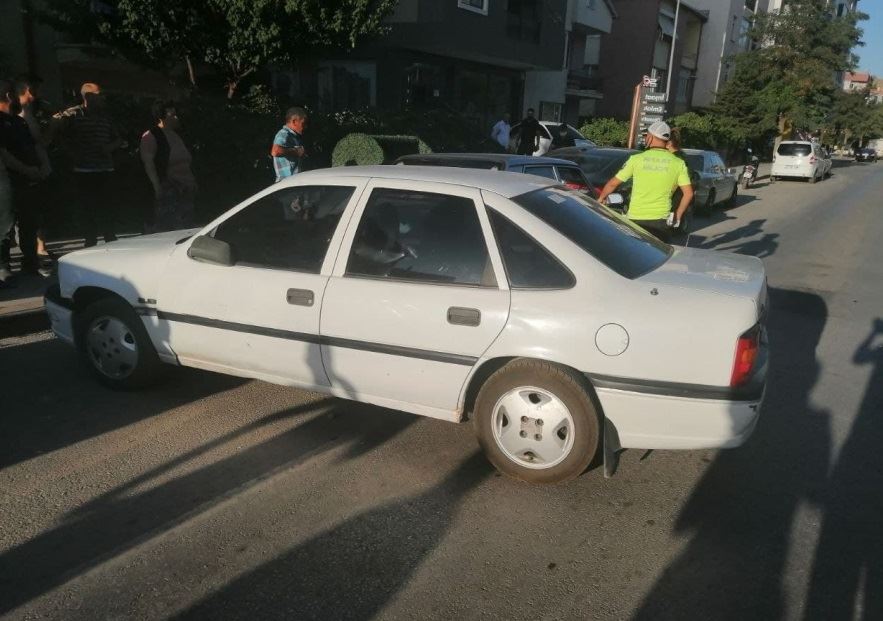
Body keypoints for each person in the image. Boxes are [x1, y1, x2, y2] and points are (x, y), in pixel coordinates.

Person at [49, 82, 123, 247]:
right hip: (84, 169)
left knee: (107, 204)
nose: (103, 98)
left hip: (105, 168)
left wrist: (110, 147)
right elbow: (55, 126)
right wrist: (70, 151)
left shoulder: (105, 116)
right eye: (99, 94)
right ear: (88, 96)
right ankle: (90, 240)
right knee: (88, 206)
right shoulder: (74, 114)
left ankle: (110, 236)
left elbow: (118, 138)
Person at [598, 120, 693, 244]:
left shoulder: (636, 159)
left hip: (635, 219)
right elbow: (688, 193)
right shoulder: (678, 163)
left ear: (651, 137)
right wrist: (678, 214)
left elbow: (613, 183)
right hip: (661, 221)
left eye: (646, 135)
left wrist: (601, 199)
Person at [0, 78, 50, 278]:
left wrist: (39, 167)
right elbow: (3, 153)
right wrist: (27, 169)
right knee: (4, 224)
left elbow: (34, 144)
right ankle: (3, 267)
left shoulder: (19, 121)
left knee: (29, 221)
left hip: (26, 179)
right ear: (9, 96)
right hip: (7, 178)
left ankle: (30, 262)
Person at [140, 100, 197, 232]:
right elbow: (148, 162)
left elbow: (186, 161)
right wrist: (157, 187)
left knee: (185, 228)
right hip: (168, 190)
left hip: (185, 189)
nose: (176, 118)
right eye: (173, 115)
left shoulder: (177, 135)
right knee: (168, 228)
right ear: (162, 117)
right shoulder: (152, 136)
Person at [14, 75, 53, 261]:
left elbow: (41, 142)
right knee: (25, 214)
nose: (36, 96)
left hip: (37, 166)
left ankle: (38, 248)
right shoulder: (14, 115)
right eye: (34, 91)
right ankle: (29, 254)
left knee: (39, 210)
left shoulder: (37, 111)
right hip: (23, 169)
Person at [271, 107, 307, 183]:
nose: (305, 126)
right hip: (285, 183)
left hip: (293, 182)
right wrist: (296, 151)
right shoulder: (284, 134)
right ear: (294, 121)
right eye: (303, 123)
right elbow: (275, 151)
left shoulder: (294, 137)